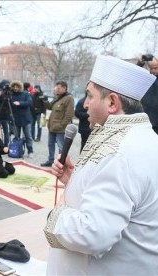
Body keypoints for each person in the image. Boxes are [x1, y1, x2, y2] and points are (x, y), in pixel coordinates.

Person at [44, 55, 158, 275]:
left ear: (112, 103)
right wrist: (73, 180)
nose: (85, 104)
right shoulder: (143, 138)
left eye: (90, 95)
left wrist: (54, 215)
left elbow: (93, 234)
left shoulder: (121, 153)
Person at [40, 81, 74, 167]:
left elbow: (69, 115)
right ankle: (51, 160)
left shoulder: (69, 98)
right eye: (56, 88)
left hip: (60, 128)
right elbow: (50, 107)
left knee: (61, 147)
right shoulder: (58, 97)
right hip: (52, 127)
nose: (56, 89)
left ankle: (61, 162)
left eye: (58, 88)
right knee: (50, 144)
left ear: (64, 88)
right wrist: (45, 101)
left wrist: (62, 125)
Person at [10, 80, 34, 158]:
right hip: (15, 119)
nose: (15, 88)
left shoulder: (25, 94)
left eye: (17, 86)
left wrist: (20, 103)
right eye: (14, 86)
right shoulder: (11, 95)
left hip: (26, 119)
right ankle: (17, 149)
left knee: (28, 136)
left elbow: (30, 103)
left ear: (20, 87)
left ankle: (30, 151)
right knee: (16, 136)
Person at [137, 54, 158, 134]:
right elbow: (135, 73)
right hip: (148, 121)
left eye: (156, 68)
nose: (153, 71)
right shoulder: (147, 78)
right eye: (151, 68)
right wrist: (140, 63)